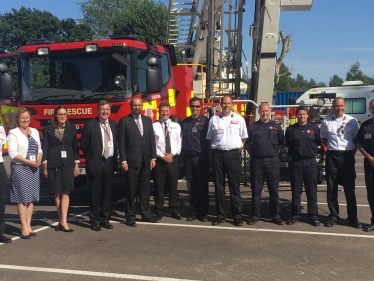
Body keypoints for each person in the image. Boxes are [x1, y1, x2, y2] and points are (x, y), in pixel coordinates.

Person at [320, 97, 361, 228]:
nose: (339, 108)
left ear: (345, 106)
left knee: (350, 189)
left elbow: (356, 140)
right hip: (332, 156)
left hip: (347, 156)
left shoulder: (352, 121)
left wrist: (350, 154)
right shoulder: (326, 121)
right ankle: (333, 216)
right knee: (332, 188)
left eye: (341, 106)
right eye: (337, 106)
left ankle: (353, 218)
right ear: (333, 106)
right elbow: (324, 140)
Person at [206, 95, 248, 226]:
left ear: (232, 105)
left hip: (233, 156)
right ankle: (221, 215)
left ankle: (237, 216)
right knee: (219, 188)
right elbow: (209, 140)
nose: (226, 105)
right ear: (220, 104)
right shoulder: (214, 119)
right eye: (224, 103)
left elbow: (243, 138)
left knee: (234, 187)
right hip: (218, 155)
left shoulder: (239, 119)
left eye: (229, 103)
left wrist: (236, 151)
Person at [118, 97, 157, 227]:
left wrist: (153, 157)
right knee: (131, 190)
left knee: (145, 189)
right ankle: (130, 216)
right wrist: (123, 160)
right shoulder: (124, 121)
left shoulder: (147, 120)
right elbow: (121, 143)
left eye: (139, 105)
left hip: (146, 161)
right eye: (134, 105)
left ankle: (146, 214)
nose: (137, 108)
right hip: (131, 161)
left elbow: (151, 140)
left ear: (142, 106)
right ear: (131, 106)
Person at [81, 100, 118, 231]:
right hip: (96, 162)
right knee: (95, 193)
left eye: (107, 109)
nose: (105, 112)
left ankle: (105, 219)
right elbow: (84, 145)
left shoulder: (113, 125)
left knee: (108, 193)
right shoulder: (90, 125)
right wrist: (92, 158)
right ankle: (94, 220)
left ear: (110, 110)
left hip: (109, 162)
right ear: (98, 110)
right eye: (102, 109)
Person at [42, 105, 80, 232]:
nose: (62, 116)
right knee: (57, 192)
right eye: (60, 114)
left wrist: (76, 164)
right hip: (54, 163)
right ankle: (60, 220)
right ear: (56, 115)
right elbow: (45, 147)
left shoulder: (72, 128)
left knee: (66, 191)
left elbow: (75, 148)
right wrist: (45, 165)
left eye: (64, 114)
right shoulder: (48, 129)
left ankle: (64, 220)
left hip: (68, 163)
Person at [246, 102, 284, 225]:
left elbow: (281, 145)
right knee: (256, 190)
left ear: (270, 112)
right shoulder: (252, 127)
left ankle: (275, 215)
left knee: (274, 190)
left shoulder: (277, 127)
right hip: (257, 162)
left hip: (272, 161)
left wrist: (272, 154)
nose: (264, 113)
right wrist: (255, 155)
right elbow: (247, 144)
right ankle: (255, 214)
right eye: (262, 111)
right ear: (259, 112)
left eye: (267, 111)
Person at [7, 108, 42, 239]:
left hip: (34, 168)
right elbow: (12, 154)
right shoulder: (13, 133)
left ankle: (29, 225)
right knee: (22, 198)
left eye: (27, 118)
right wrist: (28, 162)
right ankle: (23, 228)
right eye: (22, 118)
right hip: (21, 168)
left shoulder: (35, 132)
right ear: (17, 120)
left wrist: (39, 158)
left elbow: (40, 148)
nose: (25, 120)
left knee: (31, 198)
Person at [285, 106, 321, 226]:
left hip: (310, 162)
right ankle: (295, 215)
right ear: (296, 116)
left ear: (307, 115)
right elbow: (288, 144)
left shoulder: (314, 128)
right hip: (296, 163)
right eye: (299, 114)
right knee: (296, 191)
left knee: (311, 191)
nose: (302, 116)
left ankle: (313, 216)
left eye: (304, 114)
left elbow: (317, 142)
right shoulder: (291, 130)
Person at [152, 101, 182, 221]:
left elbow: (179, 143)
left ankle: (174, 209)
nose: (165, 113)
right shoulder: (154, 126)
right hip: (159, 160)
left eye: (167, 111)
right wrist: (161, 155)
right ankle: (159, 210)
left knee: (173, 186)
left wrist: (172, 154)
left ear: (170, 112)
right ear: (159, 112)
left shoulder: (176, 126)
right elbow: (152, 144)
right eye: (163, 111)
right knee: (159, 186)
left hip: (172, 159)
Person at [182, 97, 210, 222]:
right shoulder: (185, 122)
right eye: (193, 106)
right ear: (189, 107)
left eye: (197, 106)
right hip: (188, 159)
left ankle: (203, 212)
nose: (195, 108)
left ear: (201, 107)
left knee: (202, 186)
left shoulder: (206, 122)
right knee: (191, 186)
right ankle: (194, 211)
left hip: (201, 158)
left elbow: (210, 141)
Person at [354, 99, 374, 231]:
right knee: (371, 193)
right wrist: (369, 157)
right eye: (372, 107)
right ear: (369, 109)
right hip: (370, 164)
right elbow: (358, 144)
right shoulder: (365, 126)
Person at [0, 124, 11, 243]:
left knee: (1, 202)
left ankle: (0, 233)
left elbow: (3, 148)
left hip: (0, 165)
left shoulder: (1, 128)